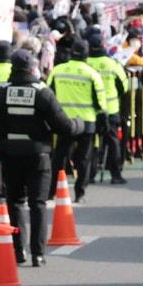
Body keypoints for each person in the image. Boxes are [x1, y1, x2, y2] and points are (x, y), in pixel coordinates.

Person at [0, 50, 80, 267]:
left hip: (10, 156)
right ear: (34, 68)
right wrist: (79, 124)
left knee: (15, 203)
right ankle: (38, 253)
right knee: (38, 204)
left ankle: (18, 250)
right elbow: (65, 127)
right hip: (38, 156)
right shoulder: (43, 93)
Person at [46, 36, 104, 199]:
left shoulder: (58, 70)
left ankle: (51, 191)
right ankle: (80, 193)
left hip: (63, 120)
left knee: (59, 157)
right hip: (87, 121)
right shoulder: (92, 73)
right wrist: (102, 116)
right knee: (83, 158)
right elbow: (100, 101)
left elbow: (49, 95)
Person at [86, 34, 129, 185]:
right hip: (110, 109)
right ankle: (116, 174)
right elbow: (124, 86)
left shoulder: (85, 63)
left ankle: (88, 175)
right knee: (113, 142)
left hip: (90, 110)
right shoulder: (113, 64)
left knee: (89, 142)